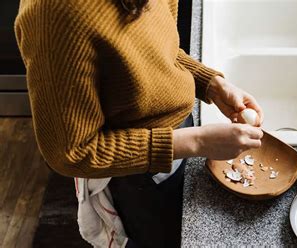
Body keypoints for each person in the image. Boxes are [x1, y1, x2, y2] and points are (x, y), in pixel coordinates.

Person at [15, 0, 264, 247]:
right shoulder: (54, 13)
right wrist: (197, 141)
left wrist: (211, 84)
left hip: (179, 139)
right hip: (136, 171)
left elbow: (157, 51)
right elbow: (71, 153)